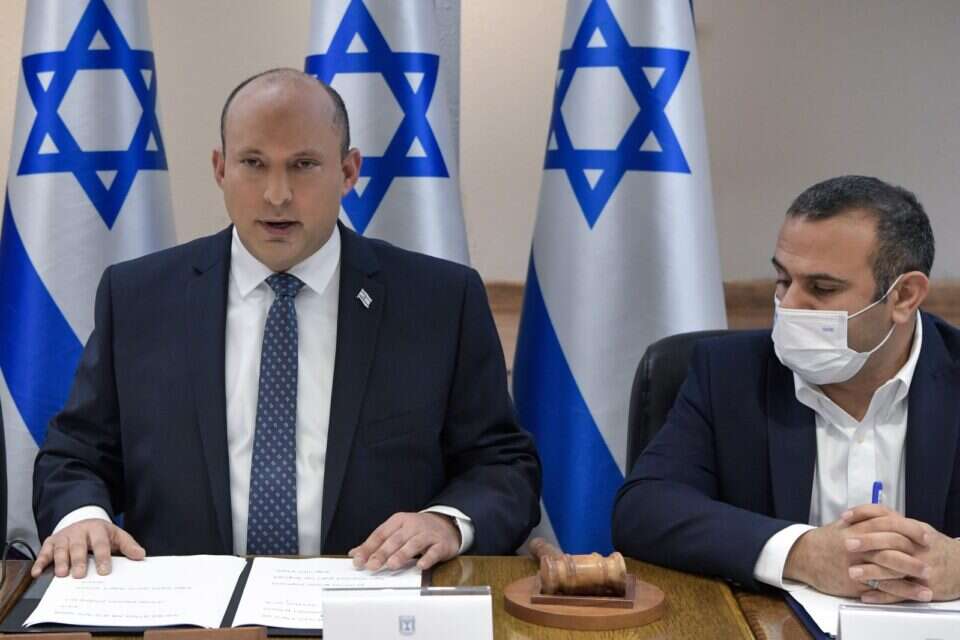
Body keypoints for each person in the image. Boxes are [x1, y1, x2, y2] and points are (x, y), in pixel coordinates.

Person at [32, 68, 541, 579]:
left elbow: (502, 465)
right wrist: (83, 517)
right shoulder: (139, 297)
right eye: (253, 163)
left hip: (370, 604)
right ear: (220, 169)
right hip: (188, 612)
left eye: (303, 165)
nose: (277, 195)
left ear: (348, 172)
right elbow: (74, 456)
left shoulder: (438, 301)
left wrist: (447, 522)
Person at [613, 175, 960, 603]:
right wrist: (800, 553)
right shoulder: (728, 373)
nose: (789, 305)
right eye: (783, 280)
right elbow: (644, 509)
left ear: (904, 296)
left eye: (821, 288)